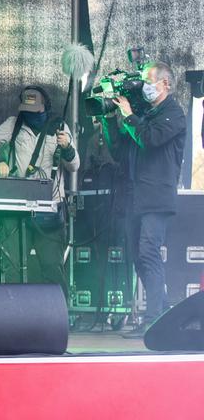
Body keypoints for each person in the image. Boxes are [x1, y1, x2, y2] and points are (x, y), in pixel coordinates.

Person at [103, 62, 185, 335]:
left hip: (157, 197)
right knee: (138, 256)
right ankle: (160, 314)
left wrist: (128, 116)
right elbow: (119, 151)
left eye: (150, 81)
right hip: (135, 197)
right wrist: (108, 119)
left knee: (149, 252)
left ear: (166, 84)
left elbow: (149, 140)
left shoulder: (173, 114)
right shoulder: (144, 114)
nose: (146, 87)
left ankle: (152, 320)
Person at [0, 85, 79, 293]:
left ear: (45, 106)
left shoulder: (60, 126)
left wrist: (67, 147)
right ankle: (13, 313)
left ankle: (58, 313)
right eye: (26, 109)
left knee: (52, 265)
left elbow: (74, 166)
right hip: (17, 206)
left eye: (35, 110)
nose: (30, 114)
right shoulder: (13, 124)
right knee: (12, 263)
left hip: (50, 206)